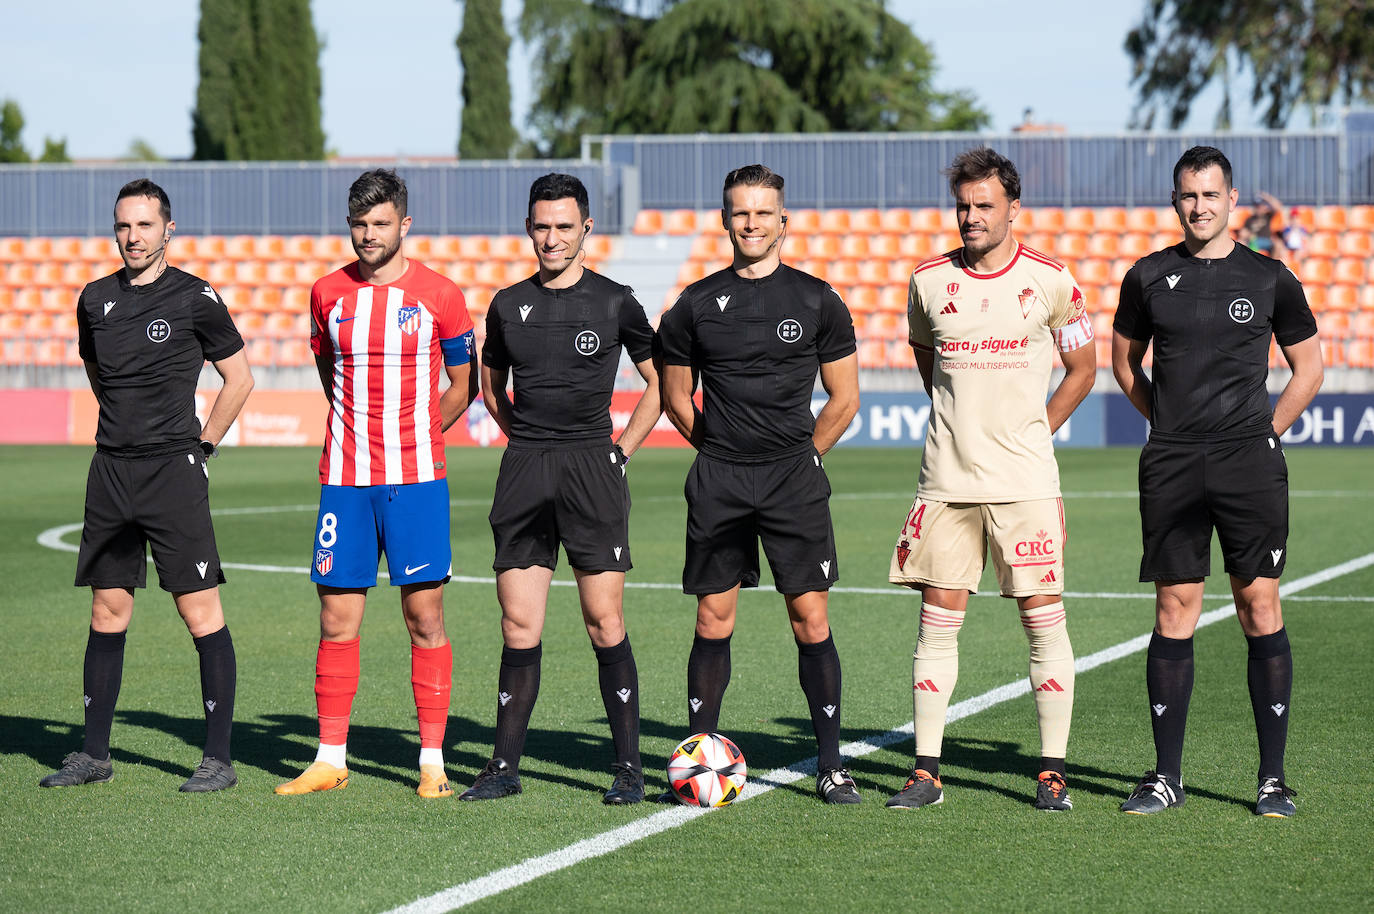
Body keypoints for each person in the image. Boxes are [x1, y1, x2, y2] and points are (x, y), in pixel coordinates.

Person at [1112, 146, 1323, 818]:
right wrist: (1169, 425)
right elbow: (1123, 365)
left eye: (1209, 195)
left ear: (1233, 199)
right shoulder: (1147, 276)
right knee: (1175, 609)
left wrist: (1265, 434)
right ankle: (1165, 777)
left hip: (1248, 464)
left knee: (1259, 606)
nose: (1198, 207)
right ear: (1175, 202)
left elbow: (1309, 369)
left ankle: (1271, 780)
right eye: (1186, 196)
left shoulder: (1271, 278)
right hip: (1173, 461)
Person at [885, 149, 1096, 812]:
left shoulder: (1052, 281)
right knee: (937, 623)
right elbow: (928, 362)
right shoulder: (927, 281)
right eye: (963, 205)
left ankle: (1052, 772)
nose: (971, 217)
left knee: (1042, 620)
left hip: (1026, 483)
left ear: (1012, 209)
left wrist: (1037, 429)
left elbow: (1084, 368)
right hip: (946, 481)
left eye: (984, 206)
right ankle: (925, 772)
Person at [42, 178, 254, 792]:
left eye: (144, 225)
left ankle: (217, 759)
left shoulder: (195, 297)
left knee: (199, 610)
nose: (133, 236)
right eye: (123, 225)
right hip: (110, 471)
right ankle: (93, 755)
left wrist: (202, 445)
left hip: (172, 473)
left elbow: (238, 379)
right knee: (108, 609)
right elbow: (96, 371)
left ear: (169, 228)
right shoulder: (93, 298)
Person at [658, 164, 862, 805]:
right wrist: (722, 449)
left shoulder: (817, 300)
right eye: (739, 212)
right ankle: (700, 758)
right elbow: (675, 397)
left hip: (792, 482)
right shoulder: (694, 304)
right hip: (720, 480)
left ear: (783, 221)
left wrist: (804, 456)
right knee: (714, 616)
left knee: (809, 616)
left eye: (762, 212)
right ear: (725, 220)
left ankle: (831, 765)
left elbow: (844, 398)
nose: (750, 223)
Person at [458, 173, 660, 805]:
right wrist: (524, 442)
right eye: (541, 226)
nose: (552, 237)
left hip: (591, 470)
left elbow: (659, 383)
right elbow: (491, 388)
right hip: (525, 469)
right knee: (519, 623)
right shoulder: (506, 304)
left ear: (586, 230)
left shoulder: (616, 301)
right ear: (528, 228)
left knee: (604, 620)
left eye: (564, 226)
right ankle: (503, 766)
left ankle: (628, 768)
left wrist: (620, 451)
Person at [276, 169, 477, 799]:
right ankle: (330, 757)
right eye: (359, 224)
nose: (368, 235)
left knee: (425, 615)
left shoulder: (441, 296)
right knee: (337, 618)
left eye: (380, 224)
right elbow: (326, 368)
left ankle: (432, 762)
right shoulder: (325, 293)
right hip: (345, 480)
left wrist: (420, 432)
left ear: (404, 225)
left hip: (416, 479)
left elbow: (464, 385)